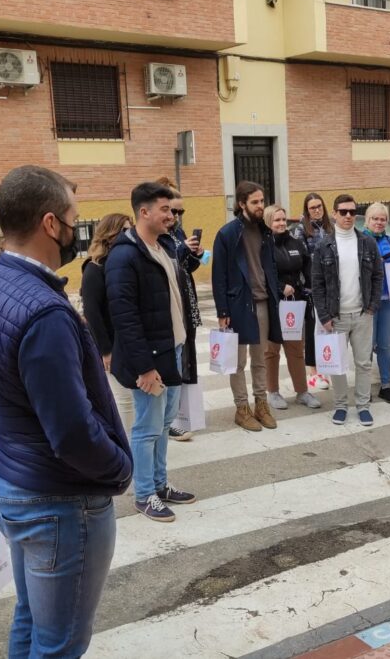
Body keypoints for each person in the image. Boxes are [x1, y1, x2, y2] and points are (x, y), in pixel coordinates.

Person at [0, 166, 133, 657]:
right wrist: (119, 469)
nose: (79, 229)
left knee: (32, 619)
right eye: (74, 218)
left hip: (15, 479)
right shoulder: (44, 311)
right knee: (60, 643)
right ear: (51, 223)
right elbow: (72, 431)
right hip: (58, 499)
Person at [106, 182, 196, 522]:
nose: (172, 215)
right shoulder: (125, 255)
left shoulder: (164, 246)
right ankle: (144, 494)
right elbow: (124, 317)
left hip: (172, 350)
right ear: (144, 212)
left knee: (164, 424)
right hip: (150, 359)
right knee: (146, 428)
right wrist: (144, 367)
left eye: (172, 210)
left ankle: (160, 484)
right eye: (165, 209)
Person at [212, 180, 283, 432]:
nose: (260, 206)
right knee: (238, 362)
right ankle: (242, 409)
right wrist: (222, 311)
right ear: (242, 204)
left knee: (260, 359)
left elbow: (270, 267)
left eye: (262, 201)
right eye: (255, 202)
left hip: (263, 302)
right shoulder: (227, 234)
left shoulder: (265, 232)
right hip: (238, 305)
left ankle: (261, 405)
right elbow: (218, 275)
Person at [311, 194, 384, 426]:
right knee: (337, 365)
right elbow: (317, 284)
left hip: (363, 314)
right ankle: (341, 406)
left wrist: (372, 306)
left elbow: (377, 276)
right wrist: (324, 315)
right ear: (334, 214)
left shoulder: (367, 243)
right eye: (343, 212)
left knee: (363, 364)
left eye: (353, 211)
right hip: (336, 316)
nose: (349, 216)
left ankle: (363, 406)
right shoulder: (323, 246)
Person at [264, 204, 321, 410]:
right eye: (276, 220)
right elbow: (262, 273)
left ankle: (302, 392)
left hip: (294, 304)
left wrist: (308, 287)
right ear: (268, 222)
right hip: (272, 304)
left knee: (296, 349)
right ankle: (273, 392)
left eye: (283, 219)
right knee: (271, 350)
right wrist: (280, 287)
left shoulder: (295, 242)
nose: (281, 223)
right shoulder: (263, 246)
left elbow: (307, 266)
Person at [80, 213, 135, 427]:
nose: (129, 235)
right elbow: (92, 312)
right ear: (109, 235)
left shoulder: (124, 263)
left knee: (132, 398)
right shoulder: (94, 268)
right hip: (111, 344)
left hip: (128, 341)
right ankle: (127, 443)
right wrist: (106, 350)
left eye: (130, 230)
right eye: (124, 231)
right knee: (124, 399)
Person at [161, 178, 205, 442]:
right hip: (169, 307)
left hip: (186, 301)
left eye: (180, 211)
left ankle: (178, 416)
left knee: (185, 360)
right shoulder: (158, 235)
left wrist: (195, 254)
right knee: (172, 363)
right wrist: (181, 249)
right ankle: (167, 421)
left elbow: (186, 268)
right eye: (172, 210)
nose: (176, 216)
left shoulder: (178, 232)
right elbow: (166, 261)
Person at [364, 202, 390, 405]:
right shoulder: (361, 240)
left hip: (388, 299)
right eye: (375, 219)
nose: (379, 222)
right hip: (368, 302)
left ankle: (386, 386)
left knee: (385, 345)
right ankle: (364, 389)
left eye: (383, 219)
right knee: (366, 346)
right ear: (367, 220)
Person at [290, 192, 332, 392]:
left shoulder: (331, 226)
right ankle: (313, 371)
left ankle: (326, 366)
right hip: (311, 286)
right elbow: (300, 258)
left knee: (327, 327)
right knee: (312, 328)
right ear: (306, 211)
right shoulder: (300, 229)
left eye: (319, 206)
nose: (316, 210)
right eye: (312, 208)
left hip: (331, 285)